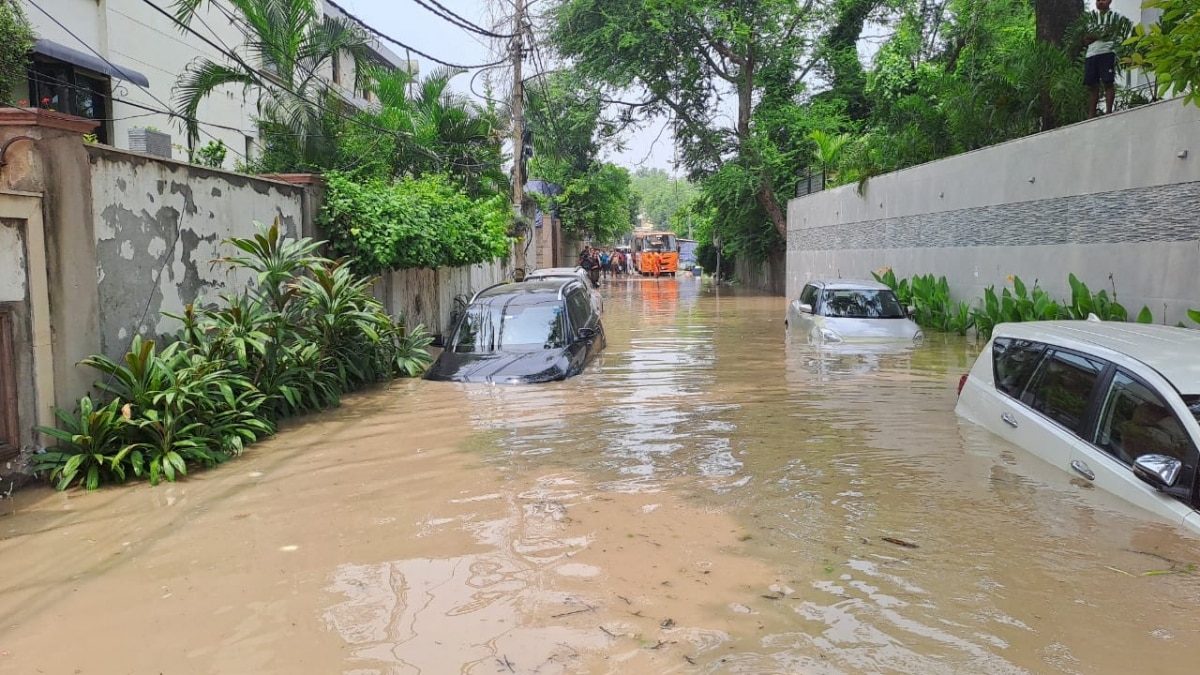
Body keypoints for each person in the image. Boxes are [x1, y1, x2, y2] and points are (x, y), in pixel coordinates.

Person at [1082, 0, 1132, 119]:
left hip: (1107, 52)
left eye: (1103, 0)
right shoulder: (1091, 17)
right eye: (1098, 0)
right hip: (1091, 54)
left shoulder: (1115, 15)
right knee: (1092, 86)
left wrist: (1097, 35)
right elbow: (1086, 39)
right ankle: (1091, 115)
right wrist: (1100, 35)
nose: (1100, 2)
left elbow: (1111, 33)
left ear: (1109, 1)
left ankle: (1108, 112)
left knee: (1108, 82)